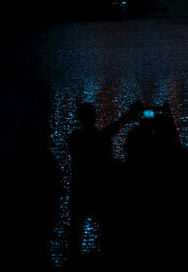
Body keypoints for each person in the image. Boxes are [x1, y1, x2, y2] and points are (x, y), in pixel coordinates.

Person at [66, 101, 139, 259]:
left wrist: (125, 118)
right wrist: (127, 117)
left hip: (80, 188)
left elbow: (109, 131)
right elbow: (110, 130)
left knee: (76, 229)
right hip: (99, 189)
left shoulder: (75, 138)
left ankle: (73, 260)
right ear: (94, 116)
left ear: (79, 118)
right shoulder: (100, 138)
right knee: (105, 228)